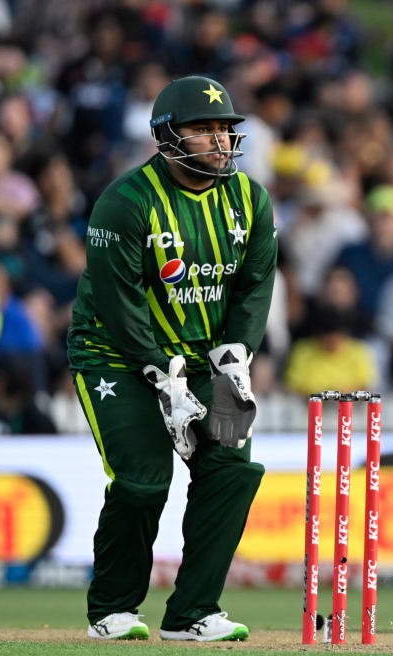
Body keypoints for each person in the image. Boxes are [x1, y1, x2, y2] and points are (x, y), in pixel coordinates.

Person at [66, 76, 277, 642]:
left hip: (207, 360)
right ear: (165, 137)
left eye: (225, 129)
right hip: (116, 355)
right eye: (203, 129)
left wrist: (236, 357)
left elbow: (255, 286)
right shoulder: (126, 202)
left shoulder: (251, 200)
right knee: (143, 481)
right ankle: (112, 609)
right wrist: (162, 374)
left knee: (232, 470)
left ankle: (192, 614)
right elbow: (120, 304)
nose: (219, 141)